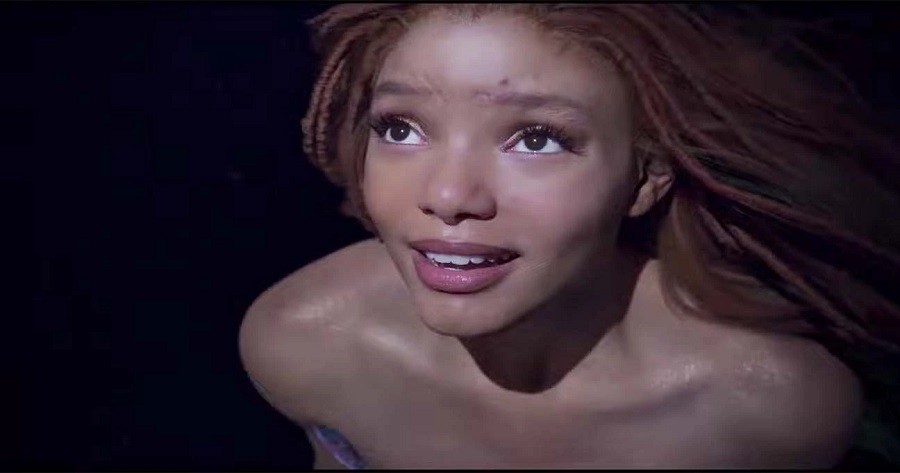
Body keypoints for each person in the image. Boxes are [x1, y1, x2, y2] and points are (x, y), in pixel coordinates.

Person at [239, 4, 900, 469]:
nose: (447, 195)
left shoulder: (767, 408)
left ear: (646, 176)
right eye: (400, 128)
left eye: (537, 139)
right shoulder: (305, 341)